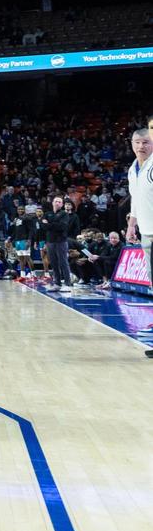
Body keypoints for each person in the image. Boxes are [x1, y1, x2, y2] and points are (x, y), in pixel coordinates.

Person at [124, 124, 153, 357]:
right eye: (138, 142)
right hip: (146, 232)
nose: (141, 146)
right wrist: (132, 223)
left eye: (146, 142)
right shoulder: (133, 169)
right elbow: (135, 199)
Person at [41, 196, 74, 292]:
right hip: (50, 241)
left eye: (59, 202)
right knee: (54, 263)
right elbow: (43, 226)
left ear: (62, 204)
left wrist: (49, 224)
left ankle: (67, 284)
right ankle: (57, 283)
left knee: (63, 262)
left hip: (61, 241)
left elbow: (62, 226)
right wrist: (51, 224)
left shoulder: (64, 214)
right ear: (52, 203)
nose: (57, 203)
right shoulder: (47, 214)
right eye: (56, 201)